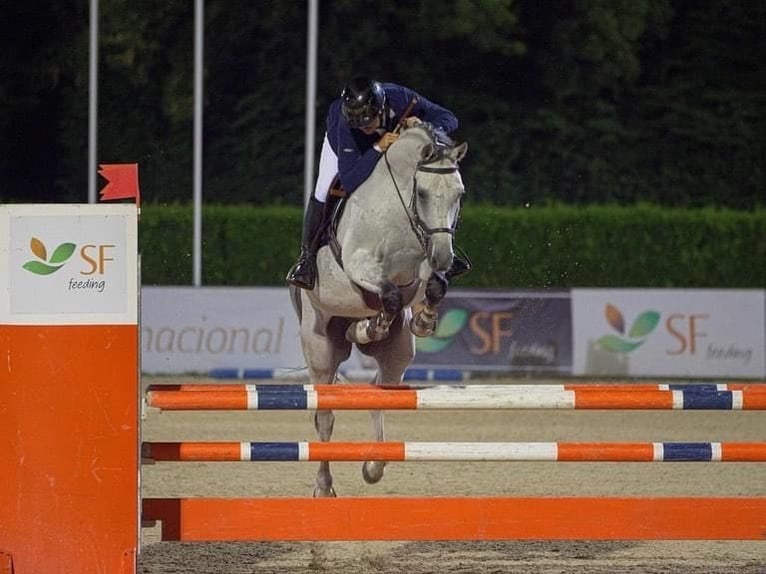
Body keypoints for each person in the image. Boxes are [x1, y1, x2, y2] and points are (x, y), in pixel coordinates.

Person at [286, 76, 470, 290]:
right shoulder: (344, 123)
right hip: (348, 152)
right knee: (322, 190)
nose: (366, 129)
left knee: (432, 183)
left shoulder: (400, 97)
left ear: (381, 109)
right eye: (360, 125)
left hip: (393, 148)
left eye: (369, 122)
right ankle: (306, 259)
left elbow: (449, 118)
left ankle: (446, 246)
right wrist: (376, 148)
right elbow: (350, 180)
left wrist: (426, 125)